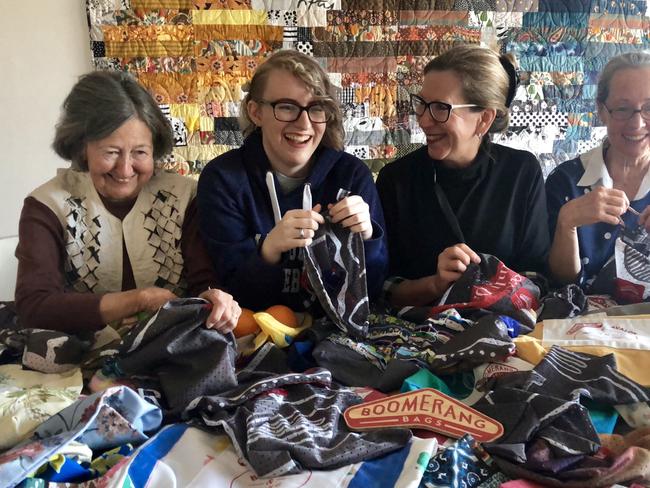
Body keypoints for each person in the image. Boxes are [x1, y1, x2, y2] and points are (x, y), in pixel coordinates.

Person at [15, 71, 240, 335]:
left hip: (169, 351)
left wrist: (215, 298)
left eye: (140, 152)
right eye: (110, 152)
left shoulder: (186, 197)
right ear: (81, 148)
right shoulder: (46, 206)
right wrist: (139, 300)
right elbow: (34, 307)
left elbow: (204, 282)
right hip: (75, 359)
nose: (124, 169)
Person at [197, 49, 387, 312]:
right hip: (254, 329)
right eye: (286, 107)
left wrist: (367, 239)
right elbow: (230, 293)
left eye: (316, 108)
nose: (304, 124)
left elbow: (373, 293)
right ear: (256, 112)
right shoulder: (222, 179)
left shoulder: (353, 175)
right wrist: (268, 250)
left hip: (334, 335)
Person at [376, 44, 549, 307]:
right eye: (422, 104)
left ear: (484, 119)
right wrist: (435, 283)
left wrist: (484, 289)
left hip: (504, 330)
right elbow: (383, 289)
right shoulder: (396, 180)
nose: (423, 120)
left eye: (440, 108)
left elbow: (536, 278)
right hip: (413, 334)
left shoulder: (521, 173)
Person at [546, 51, 650, 286]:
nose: (637, 123)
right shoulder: (565, 181)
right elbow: (560, 282)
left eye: (649, 107)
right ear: (602, 111)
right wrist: (567, 223)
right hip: (582, 321)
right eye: (622, 109)